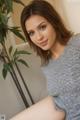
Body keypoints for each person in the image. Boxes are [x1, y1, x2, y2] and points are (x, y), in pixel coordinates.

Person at [20, 0, 80, 119]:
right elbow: (61, 99)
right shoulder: (46, 65)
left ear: (54, 22)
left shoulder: (77, 44)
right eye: (31, 33)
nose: (38, 37)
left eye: (42, 27)